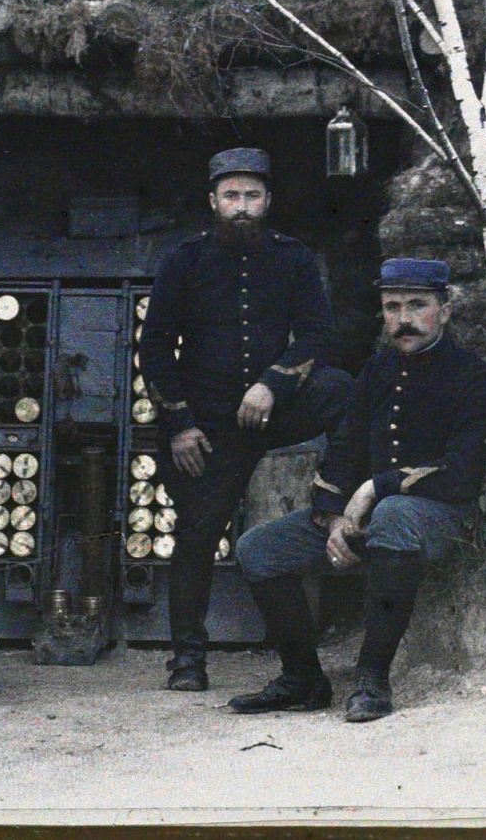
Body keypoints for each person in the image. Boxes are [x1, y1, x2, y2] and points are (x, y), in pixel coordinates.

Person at [227, 258, 486, 722]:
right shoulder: (378, 369)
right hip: (370, 517)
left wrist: (378, 486)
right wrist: (332, 517)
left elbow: (462, 474)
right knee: (258, 548)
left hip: (442, 518)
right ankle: (302, 679)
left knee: (392, 512)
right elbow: (346, 449)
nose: (404, 319)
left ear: (445, 311)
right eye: (393, 307)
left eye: (418, 305)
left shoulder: (470, 375)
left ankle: (372, 679)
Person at [139, 147, 354, 691]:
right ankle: (187, 658)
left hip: (272, 409)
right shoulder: (184, 261)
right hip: (208, 426)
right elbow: (157, 349)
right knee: (197, 533)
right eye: (231, 195)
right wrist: (181, 423)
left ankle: (340, 494)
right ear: (213, 201)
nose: (241, 206)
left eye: (252, 196)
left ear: (267, 202)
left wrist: (272, 383)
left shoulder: (293, 259)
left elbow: (317, 336)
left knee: (342, 390)